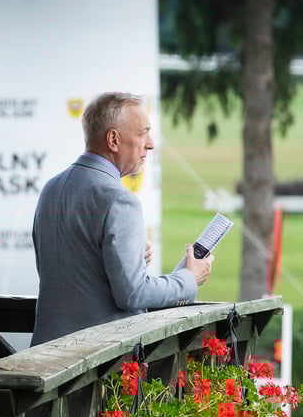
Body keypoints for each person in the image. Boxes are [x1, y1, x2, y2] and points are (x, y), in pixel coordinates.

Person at [31, 92, 211, 345]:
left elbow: (73, 271)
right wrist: (188, 280)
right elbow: (133, 294)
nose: (150, 144)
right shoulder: (120, 200)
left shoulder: (51, 188)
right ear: (113, 140)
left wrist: (130, 256)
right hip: (97, 357)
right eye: (142, 133)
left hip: (44, 350)